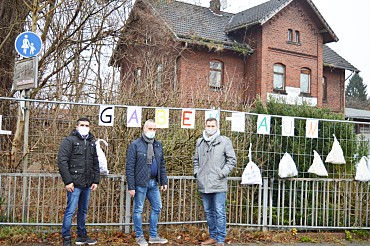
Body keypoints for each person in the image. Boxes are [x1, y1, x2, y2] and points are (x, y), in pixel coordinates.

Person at [193, 118, 236, 246]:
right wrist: (197, 173)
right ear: (205, 126)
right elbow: (196, 160)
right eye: (208, 125)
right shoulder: (199, 142)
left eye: (212, 125)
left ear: (217, 127)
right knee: (209, 211)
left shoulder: (224, 141)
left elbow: (232, 160)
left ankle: (221, 239)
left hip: (218, 183)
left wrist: (222, 173)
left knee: (219, 211)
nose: (210, 128)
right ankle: (213, 236)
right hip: (204, 183)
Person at [126, 119, 168, 246]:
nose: (152, 131)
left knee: (157, 207)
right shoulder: (135, 145)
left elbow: (162, 164)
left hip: (153, 183)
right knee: (138, 209)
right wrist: (131, 186)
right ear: (144, 129)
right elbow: (130, 166)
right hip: (140, 183)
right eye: (150, 129)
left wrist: (163, 181)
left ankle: (153, 236)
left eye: (154, 129)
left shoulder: (158, 145)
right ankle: (139, 236)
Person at [58, 117, 100, 246]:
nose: (84, 127)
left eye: (87, 125)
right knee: (70, 210)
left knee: (83, 210)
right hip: (74, 184)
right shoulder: (69, 141)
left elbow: (95, 163)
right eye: (82, 125)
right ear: (76, 127)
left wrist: (95, 180)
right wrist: (68, 181)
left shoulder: (91, 142)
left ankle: (82, 235)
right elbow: (62, 161)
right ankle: (66, 237)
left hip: (87, 183)